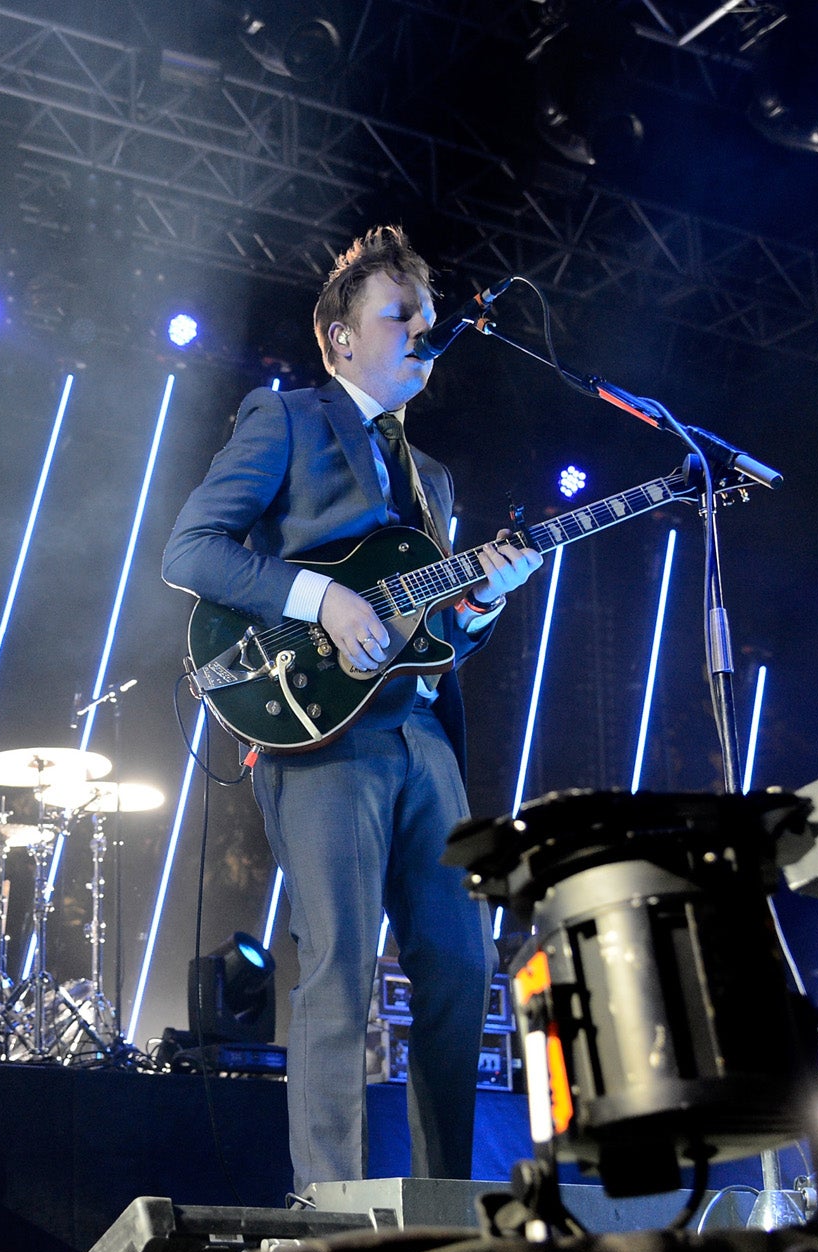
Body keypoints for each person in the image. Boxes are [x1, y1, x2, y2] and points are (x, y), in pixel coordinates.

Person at [161, 226, 544, 1194]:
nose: (423, 327)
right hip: (322, 732)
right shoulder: (285, 418)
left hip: (422, 736)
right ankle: (328, 1208)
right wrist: (319, 598)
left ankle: (444, 1204)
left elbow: (435, 640)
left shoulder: (435, 482)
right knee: (335, 968)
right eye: (399, 313)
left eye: (424, 311)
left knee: (460, 966)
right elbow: (190, 551)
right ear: (337, 338)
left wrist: (483, 601)